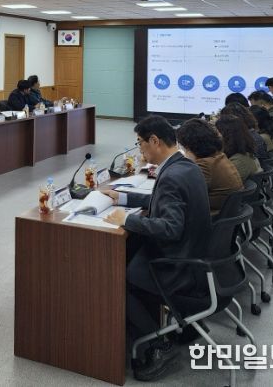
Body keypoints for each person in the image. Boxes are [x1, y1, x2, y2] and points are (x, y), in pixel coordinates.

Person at [102, 116, 211, 381]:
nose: (140, 149)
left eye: (140, 143)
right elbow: (161, 200)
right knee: (130, 253)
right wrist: (123, 197)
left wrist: (126, 219)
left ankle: (158, 344)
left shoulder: (172, 175)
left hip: (176, 263)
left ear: (155, 141)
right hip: (195, 253)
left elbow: (171, 228)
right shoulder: (185, 166)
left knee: (116, 279)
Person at [175, 118, 242, 211]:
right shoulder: (219, 157)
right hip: (224, 212)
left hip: (210, 215)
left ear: (191, 146)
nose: (184, 151)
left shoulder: (205, 165)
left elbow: (182, 193)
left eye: (184, 147)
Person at [214, 114, 260, 182]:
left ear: (227, 135)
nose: (215, 136)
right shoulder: (246, 154)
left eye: (217, 132)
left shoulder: (237, 162)